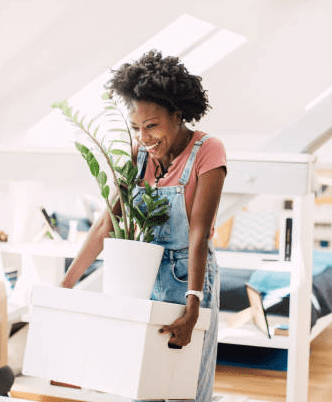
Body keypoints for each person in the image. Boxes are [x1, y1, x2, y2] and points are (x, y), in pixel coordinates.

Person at [61, 49, 227, 402]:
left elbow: (198, 234)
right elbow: (107, 223)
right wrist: (66, 282)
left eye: (151, 126)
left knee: (186, 388)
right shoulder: (138, 157)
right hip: (143, 279)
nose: (144, 137)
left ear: (178, 114)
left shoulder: (208, 151)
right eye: (136, 128)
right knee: (143, 387)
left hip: (190, 279)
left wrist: (192, 307)